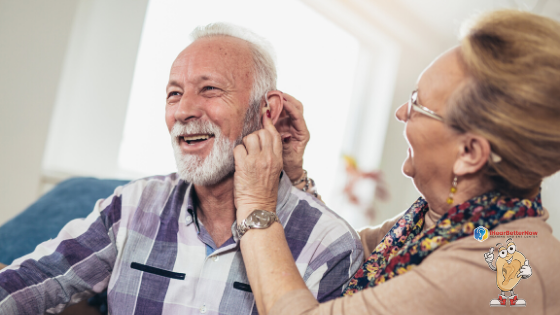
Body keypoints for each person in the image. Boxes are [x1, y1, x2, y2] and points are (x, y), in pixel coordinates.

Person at [0, 23, 363, 314]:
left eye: (209, 89)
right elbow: (33, 279)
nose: (184, 111)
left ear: (267, 111)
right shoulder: (134, 205)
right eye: (174, 94)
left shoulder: (329, 245)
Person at [232, 10, 560, 314]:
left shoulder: (494, 266)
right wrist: (294, 174)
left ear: (469, 154)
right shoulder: (436, 224)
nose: (401, 112)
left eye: (418, 104)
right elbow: (340, 256)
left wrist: (255, 205)